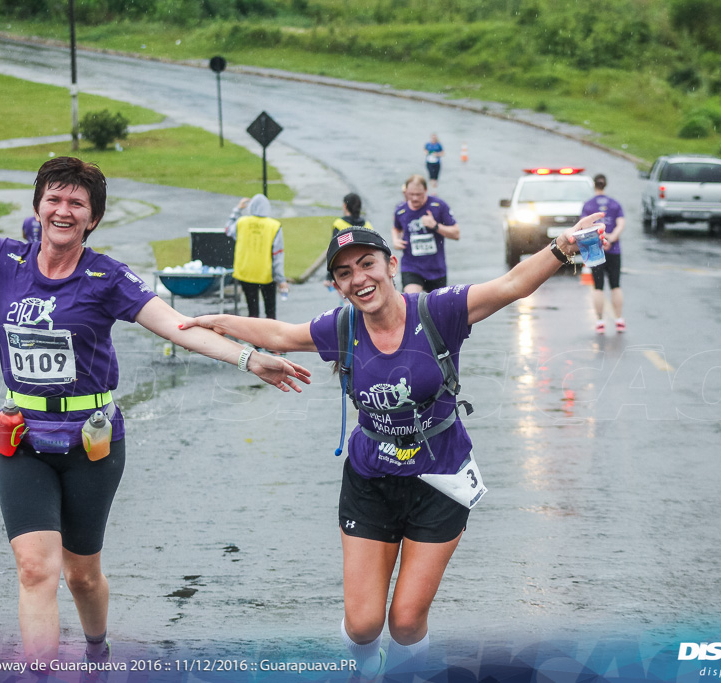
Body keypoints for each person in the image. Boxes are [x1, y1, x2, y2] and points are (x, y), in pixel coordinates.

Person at [0, 157, 310, 670]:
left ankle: (95, 649)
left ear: (92, 218)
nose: (63, 211)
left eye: (77, 203)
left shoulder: (106, 277)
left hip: (92, 442)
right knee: (34, 570)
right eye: (54, 199)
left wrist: (248, 358)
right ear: (38, 206)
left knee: (81, 574)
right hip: (21, 439)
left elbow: (178, 326)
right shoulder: (2, 260)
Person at [184, 217, 605, 678]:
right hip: (371, 480)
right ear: (338, 286)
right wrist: (218, 322)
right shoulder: (341, 328)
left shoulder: (438, 311)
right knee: (364, 626)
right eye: (344, 273)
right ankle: (364, 670)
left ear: (391, 265)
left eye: (367, 264)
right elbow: (282, 335)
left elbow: (510, 286)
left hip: (440, 480)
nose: (359, 278)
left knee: (404, 623)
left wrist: (562, 247)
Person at [392, 175, 459, 294]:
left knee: (438, 310)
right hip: (411, 267)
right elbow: (396, 228)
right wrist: (395, 240)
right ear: (406, 192)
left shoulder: (439, 206)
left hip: (436, 269)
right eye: (411, 194)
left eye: (418, 194)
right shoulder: (400, 210)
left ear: (426, 191)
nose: (414, 198)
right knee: (411, 300)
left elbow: (456, 233)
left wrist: (435, 226)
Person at [225, 194, 289, 319]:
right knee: (270, 313)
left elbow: (228, 229)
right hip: (266, 275)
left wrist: (237, 209)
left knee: (252, 313)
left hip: (245, 273)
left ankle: (253, 338)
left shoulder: (242, 222)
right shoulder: (274, 226)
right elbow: (277, 255)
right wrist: (281, 279)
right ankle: (269, 337)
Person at [579, 173, 626, 333]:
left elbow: (585, 226)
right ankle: (619, 319)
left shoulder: (589, 205)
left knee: (598, 287)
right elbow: (621, 224)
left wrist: (602, 236)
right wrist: (612, 237)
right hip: (614, 250)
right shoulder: (615, 204)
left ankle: (600, 322)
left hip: (596, 250)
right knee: (615, 285)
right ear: (605, 185)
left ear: (594, 185)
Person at [324, 192, 373, 290]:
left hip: (346, 270)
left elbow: (334, 251)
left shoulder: (339, 224)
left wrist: (329, 277)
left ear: (345, 206)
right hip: (365, 271)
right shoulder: (368, 225)